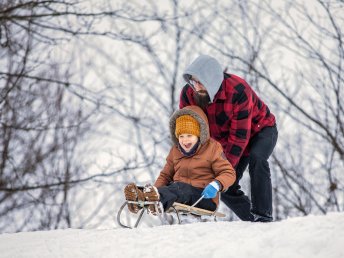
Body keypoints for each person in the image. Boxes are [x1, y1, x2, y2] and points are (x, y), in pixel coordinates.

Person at [179, 54, 278, 222]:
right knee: (225, 186)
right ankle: (252, 220)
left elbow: (239, 137)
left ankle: (263, 215)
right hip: (228, 140)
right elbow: (191, 133)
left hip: (261, 130)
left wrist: (220, 172)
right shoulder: (189, 95)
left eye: (199, 81)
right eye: (192, 81)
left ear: (211, 79)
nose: (195, 86)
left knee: (257, 159)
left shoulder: (238, 90)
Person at [124, 105, 236, 215]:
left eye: (189, 135)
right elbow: (165, 175)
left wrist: (216, 185)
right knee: (175, 187)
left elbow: (229, 172)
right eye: (181, 136)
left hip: (204, 197)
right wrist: (155, 189)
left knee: (180, 187)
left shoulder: (212, 148)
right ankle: (141, 199)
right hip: (179, 193)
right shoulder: (175, 151)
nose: (185, 140)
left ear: (199, 135)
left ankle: (156, 199)